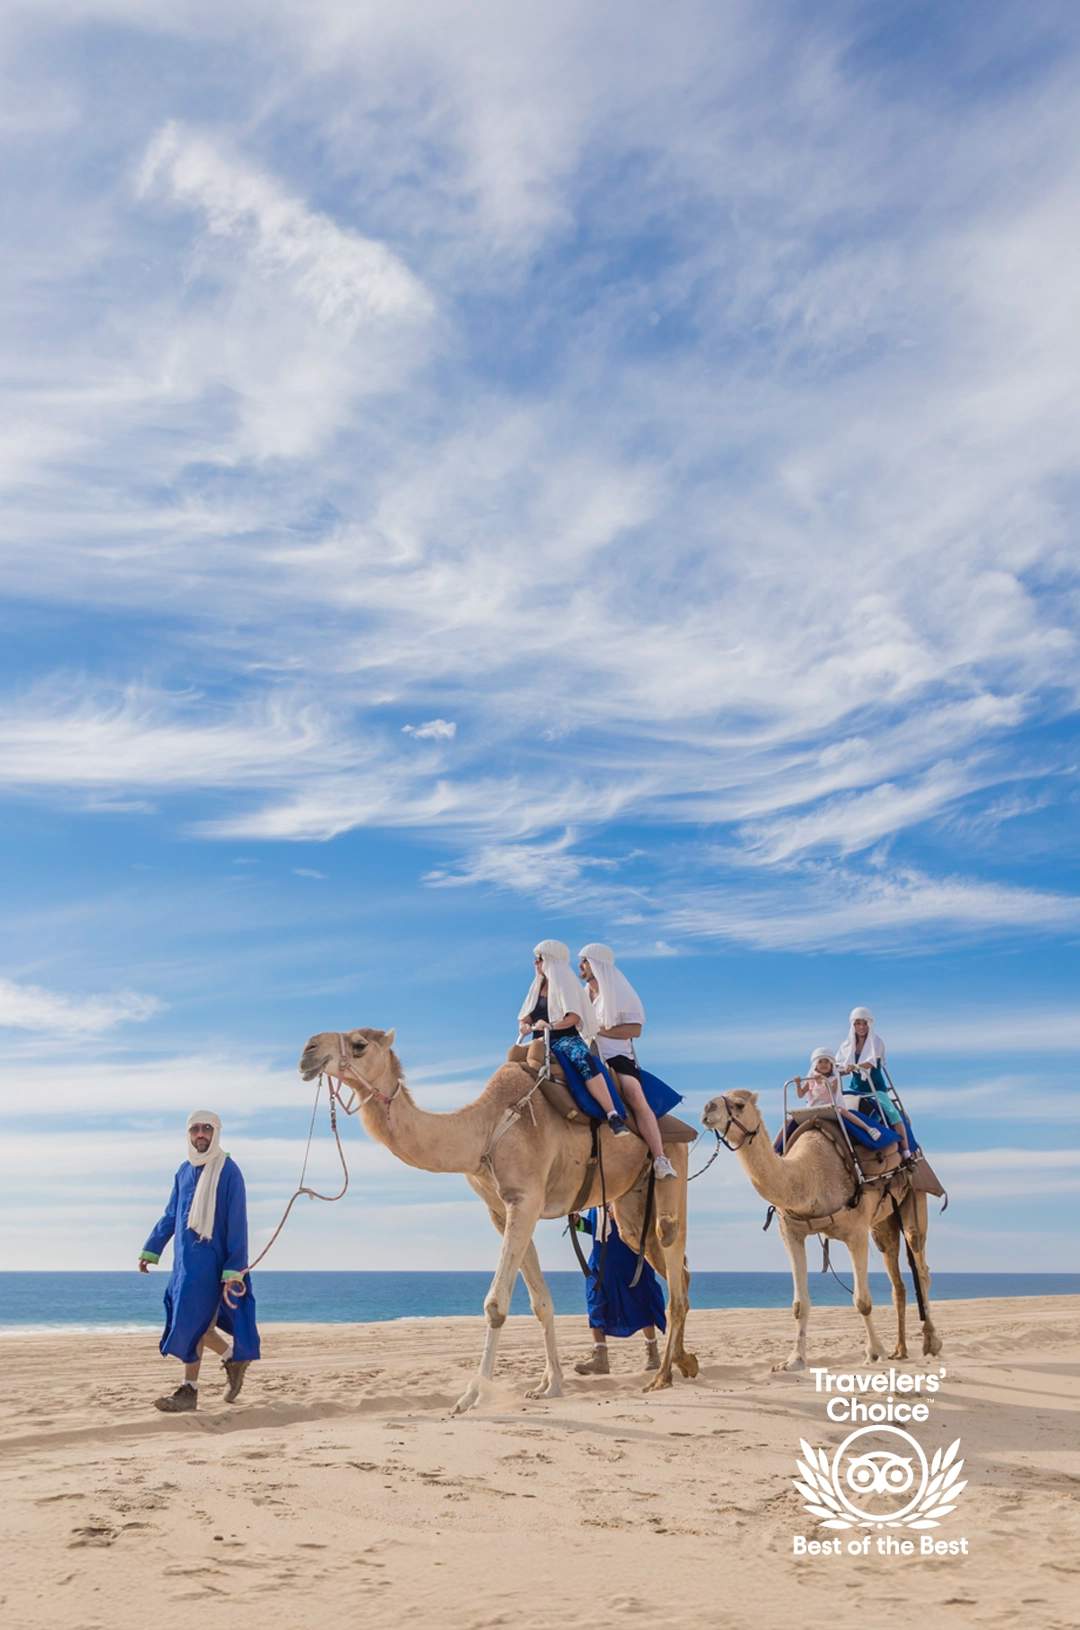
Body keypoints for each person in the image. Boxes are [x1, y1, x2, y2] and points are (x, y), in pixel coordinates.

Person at [138, 1110, 260, 1412]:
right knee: (200, 1328)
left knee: (192, 1325)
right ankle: (233, 1359)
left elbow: (237, 1222)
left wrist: (234, 1268)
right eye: (195, 1129)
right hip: (184, 1265)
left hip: (214, 1264)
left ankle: (189, 1391)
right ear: (189, 1134)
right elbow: (171, 1215)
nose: (201, 1134)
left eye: (207, 1128)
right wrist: (151, 1249)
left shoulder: (229, 1171)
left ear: (216, 1132)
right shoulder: (183, 1171)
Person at [577, 942, 678, 1181]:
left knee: (633, 1093)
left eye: (585, 961)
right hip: (588, 1055)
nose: (580, 966)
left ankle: (660, 1158)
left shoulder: (620, 992)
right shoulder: (583, 995)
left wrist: (599, 1030)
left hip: (616, 1057)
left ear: (596, 964)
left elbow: (635, 1029)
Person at [518, 940, 630, 1136]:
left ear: (550, 960)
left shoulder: (565, 982)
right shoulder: (537, 986)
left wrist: (550, 1026)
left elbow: (573, 1017)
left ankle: (612, 1114)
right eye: (535, 959)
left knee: (583, 1060)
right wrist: (525, 1025)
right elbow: (526, 1014)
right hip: (538, 1040)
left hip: (564, 1038)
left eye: (539, 959)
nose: (535, 963)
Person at [570, 1206, 665, 1374]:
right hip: (601, 1263)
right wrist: (578, 1223)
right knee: (595, 1305)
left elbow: (647, 1222)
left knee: (640, 1302)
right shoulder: (596, 1202)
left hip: (629, 1260)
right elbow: (594, 1229)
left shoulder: (626, 1197)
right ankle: (600, 1359)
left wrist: (624, 1216)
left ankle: (653, 1354)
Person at [836, 1007, 914, 1160]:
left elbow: (871, 1063)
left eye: (864, 1023)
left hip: (875, 1087)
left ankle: (905, 1150)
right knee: (841, 1110)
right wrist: (840, 1070)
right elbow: (842, 1065)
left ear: (869, 1024)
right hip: (855, 1087)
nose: (861, 1027)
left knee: (893, 1114)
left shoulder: (876, 1042)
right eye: (857, 1023)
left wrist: (855, 1066)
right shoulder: (847, 1045)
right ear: (853, 1025)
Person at [773, 1046, 883, 1152]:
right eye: (820, 1062)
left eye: (826, 1062)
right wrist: (798, 1084)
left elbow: (833, 1091)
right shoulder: (810, 1078)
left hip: (830, 1108)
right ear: (815, 1065)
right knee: (788, 1120)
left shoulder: (833, 1078)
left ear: (831, 1064)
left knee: (842, 1111)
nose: (823, 1064)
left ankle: (868, 1129)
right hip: (813, 1109)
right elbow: (801, 1095)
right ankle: (775, 1147)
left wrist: (822, 1081)